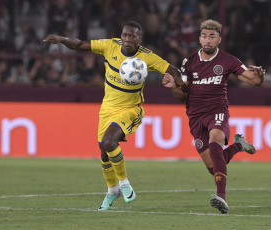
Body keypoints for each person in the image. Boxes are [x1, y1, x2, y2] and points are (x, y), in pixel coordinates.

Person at [43, 21, 185, 211]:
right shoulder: (110, 46)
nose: (127, 39)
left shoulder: (147, 57)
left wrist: (181, 83)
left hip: (130, 109)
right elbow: (79, 45)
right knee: (104, 151)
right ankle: (112, 191)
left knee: (110, 142)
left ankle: (124, 184)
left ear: (139, 39)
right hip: (107, 108)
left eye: (132, 36)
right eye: (125, 35)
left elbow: (172, 71)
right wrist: (61, 39)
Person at [162, 19, 265, 214]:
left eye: (212, 36)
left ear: (219, 39)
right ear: (199, 38)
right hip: (195, 115)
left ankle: (222, 197)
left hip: (217, 110)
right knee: (214, 166)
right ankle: (239, 145)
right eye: (204, 36)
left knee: (216, 144)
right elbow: (181, 97)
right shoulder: (189, 62)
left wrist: (259, 76)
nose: (207, 40)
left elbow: (254, 80)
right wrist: (173, 87)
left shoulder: (228, 60)